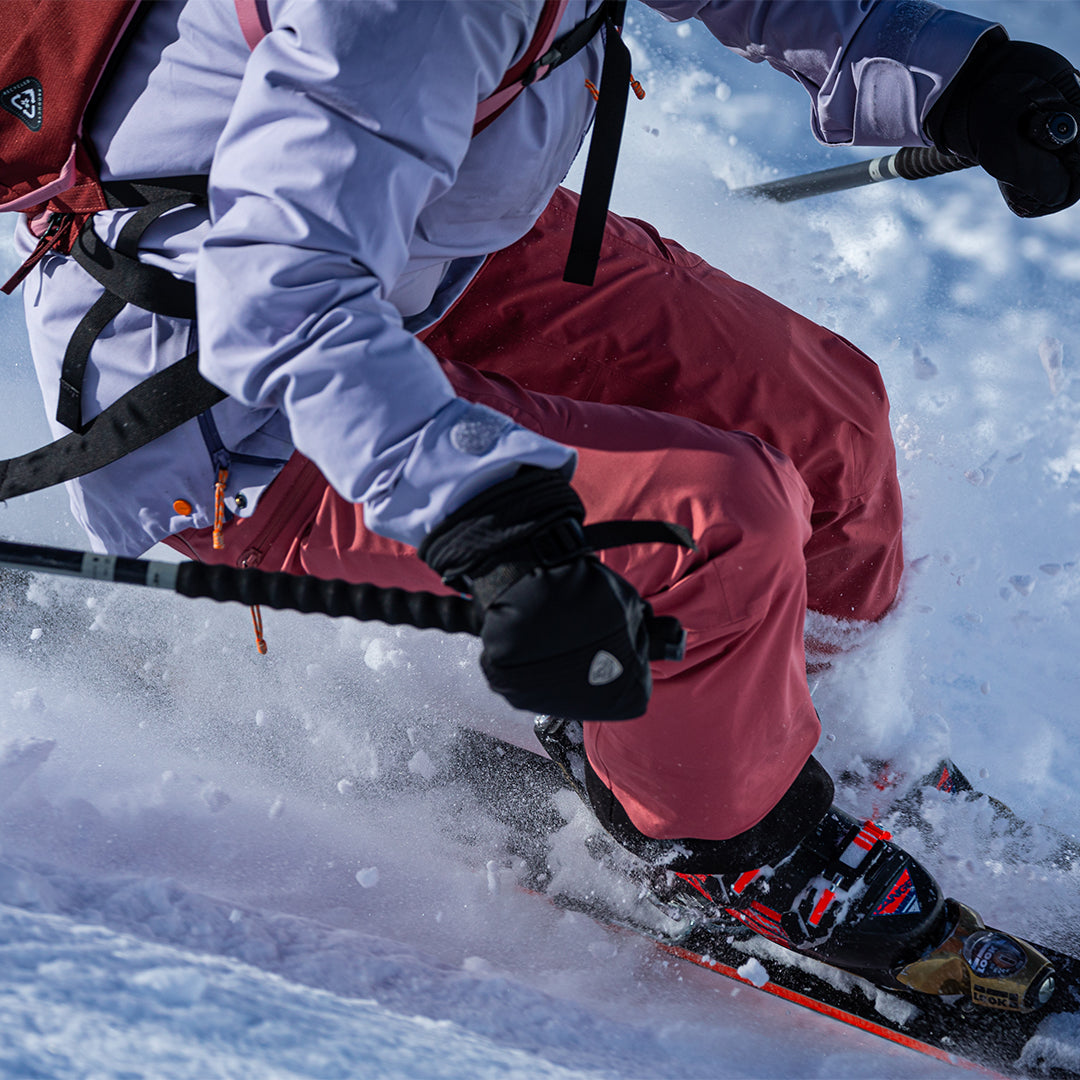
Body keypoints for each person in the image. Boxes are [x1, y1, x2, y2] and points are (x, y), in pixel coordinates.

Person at [12, 0, 1080, 993]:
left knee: (821, 416)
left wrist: (963, 78)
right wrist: (494, 528)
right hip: (231, 408)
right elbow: (279, 295)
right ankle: (730, 839)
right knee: (707, 528)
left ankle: (810, 728)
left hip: (433, 249)